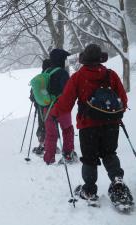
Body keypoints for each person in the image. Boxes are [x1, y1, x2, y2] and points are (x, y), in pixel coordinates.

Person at [50, 44, 133, 204]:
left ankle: (89, 190)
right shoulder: (111, 75)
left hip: (88, 126)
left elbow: (66, 103)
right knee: (110, 154)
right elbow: (123, 99)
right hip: (111, 124)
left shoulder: (78, 77)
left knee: (89, 159)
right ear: (100, 59)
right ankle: (117, 183)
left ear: (84, 60)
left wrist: (54, 113)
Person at [42, 49, 76, 165]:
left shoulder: (45, 72)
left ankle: (49, 158)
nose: (65, 61)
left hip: (47, 108)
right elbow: (67, 91)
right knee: (67, 130)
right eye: (64, 58)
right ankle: (68, 155)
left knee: (51, 134)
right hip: (61, 107)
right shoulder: (62, 73)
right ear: (61, 59)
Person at [30, 59, 51, 155]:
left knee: (42, 125)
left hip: (40, 107)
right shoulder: (50, 77)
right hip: (50, 106)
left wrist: (34, 100)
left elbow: (32, 94)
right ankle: (50, 145)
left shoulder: (38, 78)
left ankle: (42, 144)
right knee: (51, 125)